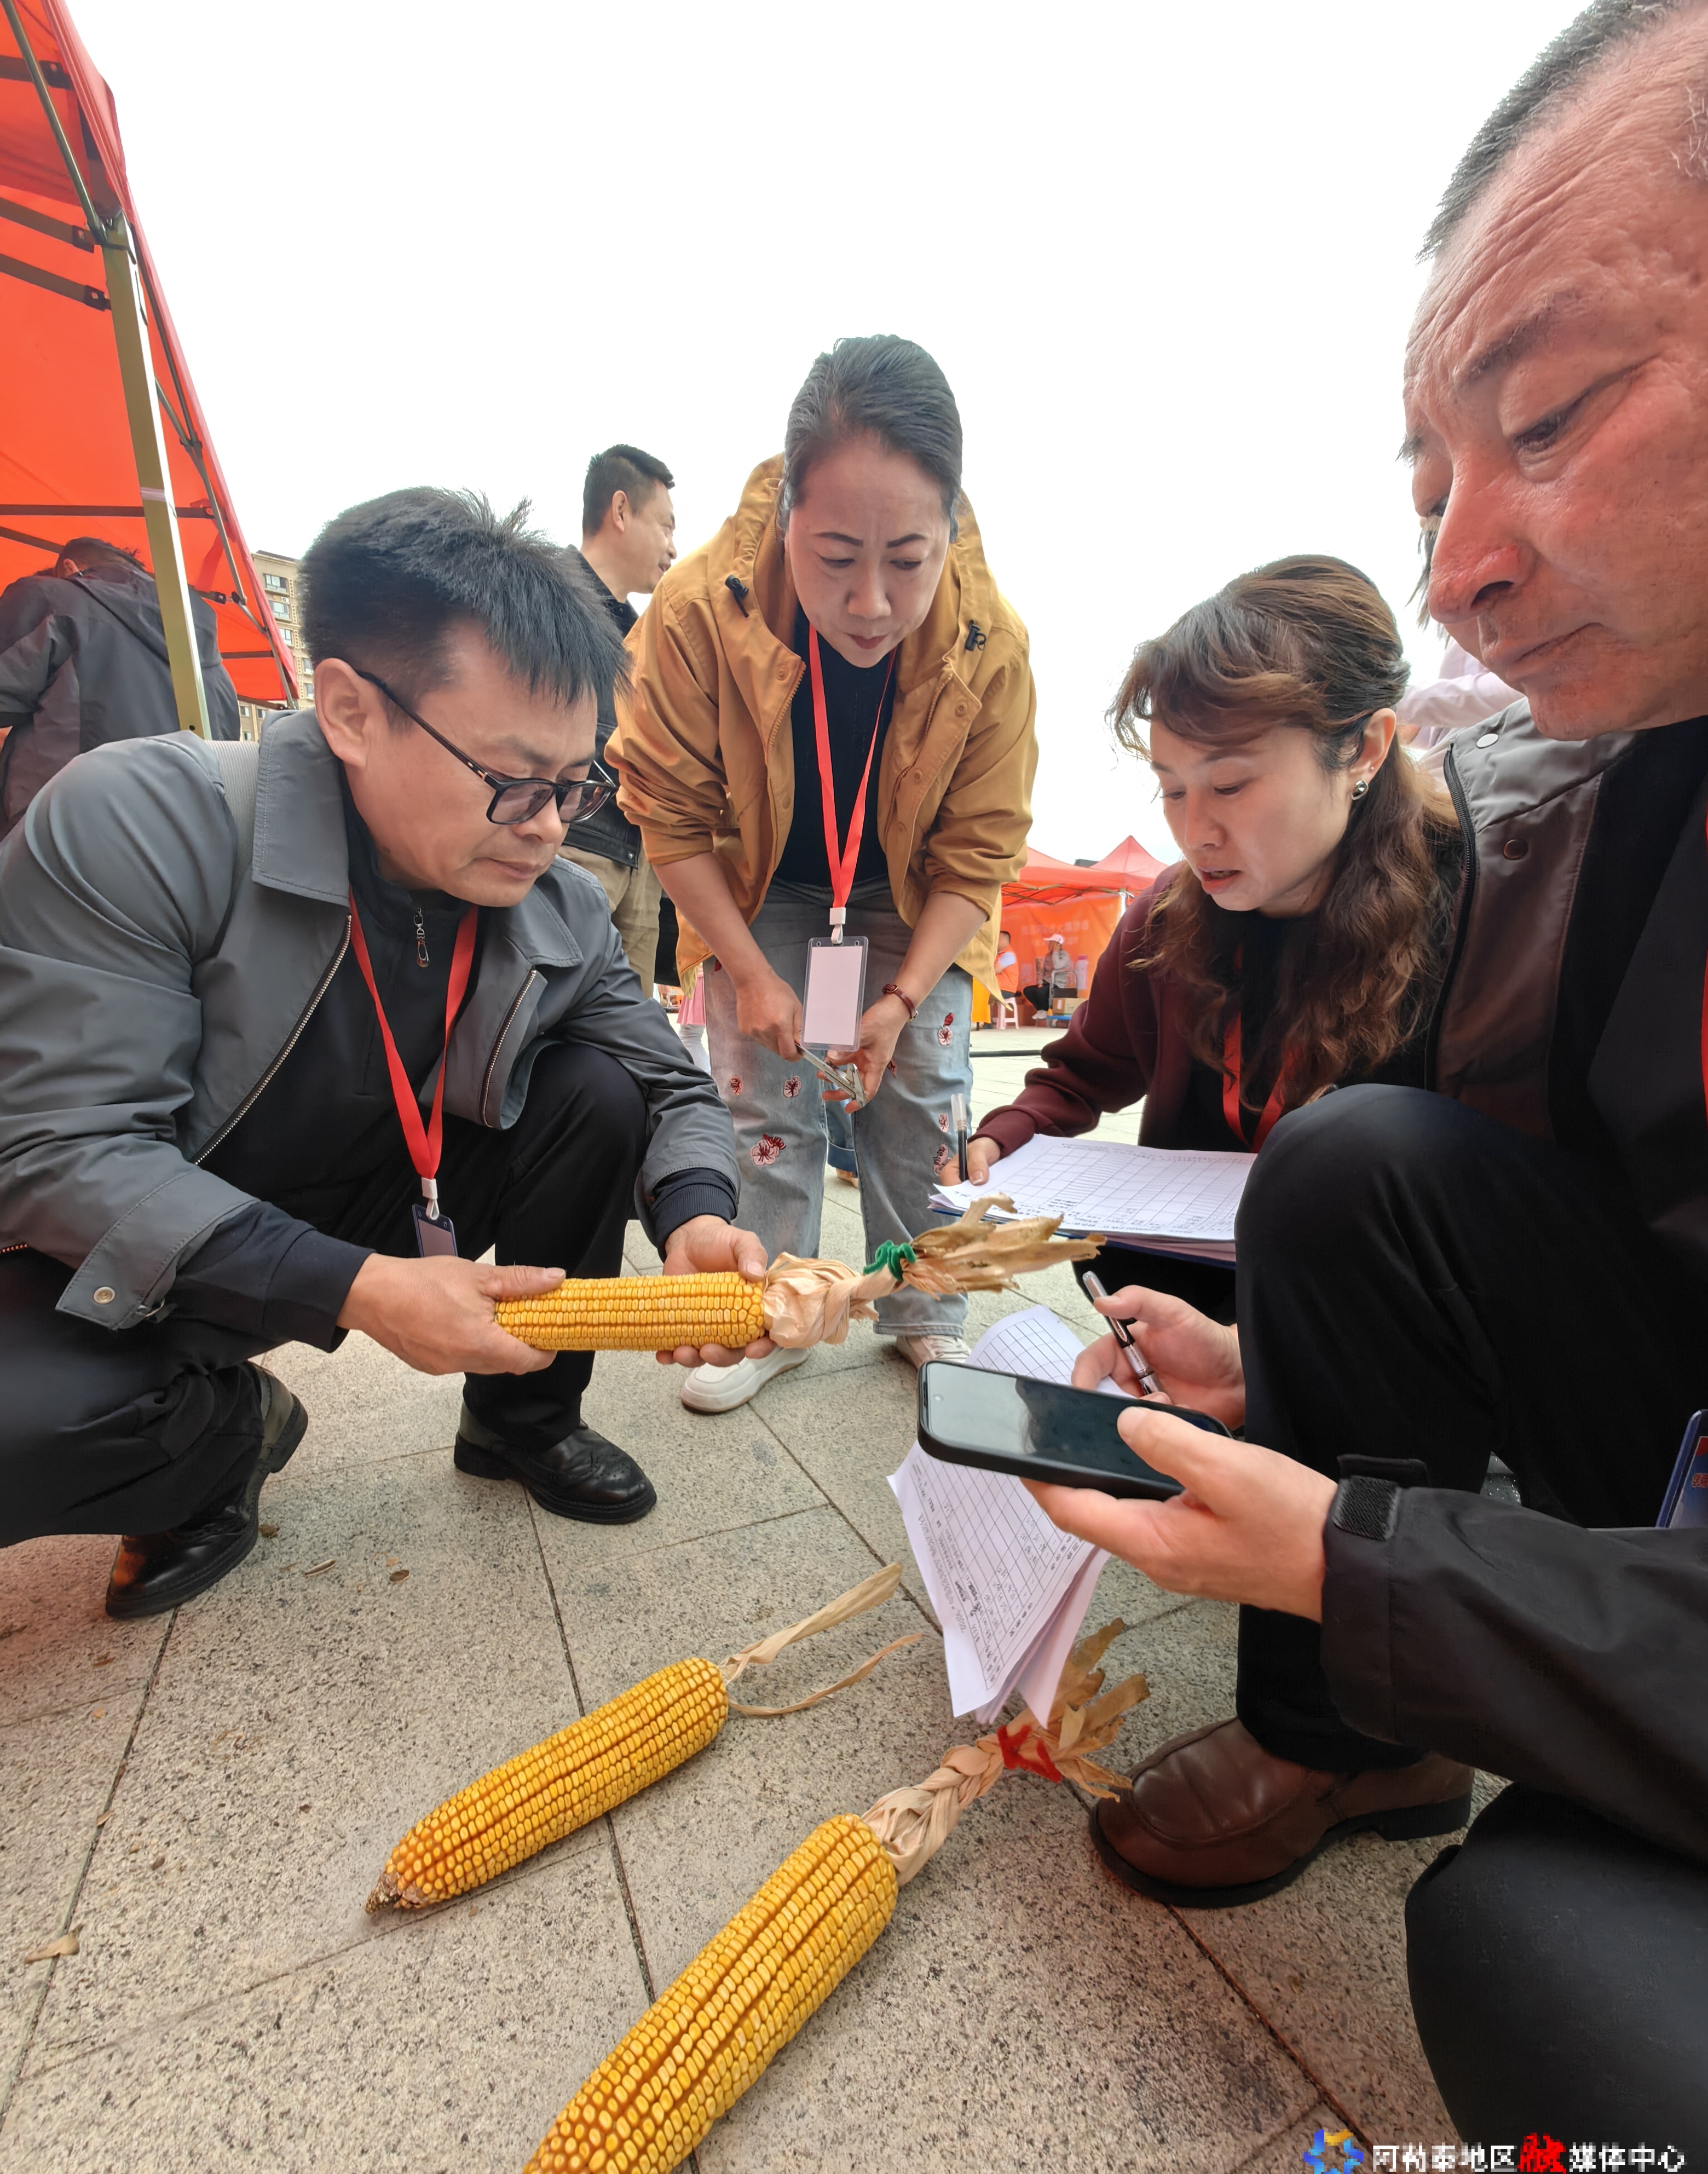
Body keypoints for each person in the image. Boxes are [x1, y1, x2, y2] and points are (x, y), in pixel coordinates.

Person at [1028, 7, 1708, 2174]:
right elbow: (1120, 1102)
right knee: (1354, 1174)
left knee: (1540, 1972)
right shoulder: (1612, 785)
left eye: (1552, 417)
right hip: (1625, 1433)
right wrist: (1273, 1368)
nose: (1462, 568)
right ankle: (1351, 1731)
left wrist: (1352, 1545)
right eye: (1431, 491)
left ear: (1355, 760)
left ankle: (1371, 1685)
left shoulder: (1461, 865)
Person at [0, 488, 763, 1621]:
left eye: (576, 785)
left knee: (598, 1090)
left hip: (386, 1192)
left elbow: (668, 1082)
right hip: (133, 1244)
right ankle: (220, 1440)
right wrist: (359, 1289)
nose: (551, 826)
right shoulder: (145, 821)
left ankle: (521, 1423)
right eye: (513, 779)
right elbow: (62, 1149)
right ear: (352, 711)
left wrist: (697, 1213)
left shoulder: (555, 904)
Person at [611, 335, 1038, 1411]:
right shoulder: (697, 612)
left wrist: (902, 997)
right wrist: (750, 971)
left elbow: (980, 850)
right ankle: (775, 1311)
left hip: (908, 893)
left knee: (925, 1098)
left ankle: (927, 1313)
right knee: (763, 1100)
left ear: (951, 527)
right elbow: (670, 817)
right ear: (787, 511)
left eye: (909, 559)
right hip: (758, 887)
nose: (871, 602)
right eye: (837, 555)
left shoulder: (992, 643)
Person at [967, 559, 1462, 1324]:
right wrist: (1011, 1133)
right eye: (1172, 788)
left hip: (1378, 1323)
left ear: (1365, 748)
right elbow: (1081, 1074)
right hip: (1186, 1294)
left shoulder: (1468, 910)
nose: (1196, 832)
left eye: (1230, 784)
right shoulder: (1168, 917)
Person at [0, 534, 239, 829]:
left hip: (62, 835)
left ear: (68, 569)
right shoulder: (219, 673)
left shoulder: (51, 596)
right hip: (184, 843)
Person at [559, 446, 678, 988]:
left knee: (630, 1022)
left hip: (640, 866)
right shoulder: (545, 597)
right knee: (551, 1009)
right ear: (622, 510)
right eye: (666, 526)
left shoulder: (645, 635)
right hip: (575, 849)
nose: (673, 548)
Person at [1021, 932, 1076, 1014]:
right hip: (1047, 983)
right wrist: (1040, 983)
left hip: (1058, 985)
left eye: (1051, 943)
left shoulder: (1065, 955)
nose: (1049, 944)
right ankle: (1041, 1010)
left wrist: (1055, 952)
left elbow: (1057, 966)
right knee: (1028, 990)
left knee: (1040, 992)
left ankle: (1046, 1011)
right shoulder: (1048, 955)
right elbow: (1043, 971)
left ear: (1057, 944)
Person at [993, 927, 1020, 1010]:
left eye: (998, 939)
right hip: (998, 987)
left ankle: (987, 1018)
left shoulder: (1008, 955)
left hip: (1005, 990)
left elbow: (995, 970)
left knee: (982, 993)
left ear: (1005, 941)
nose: (995, 941)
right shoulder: (999, 954)